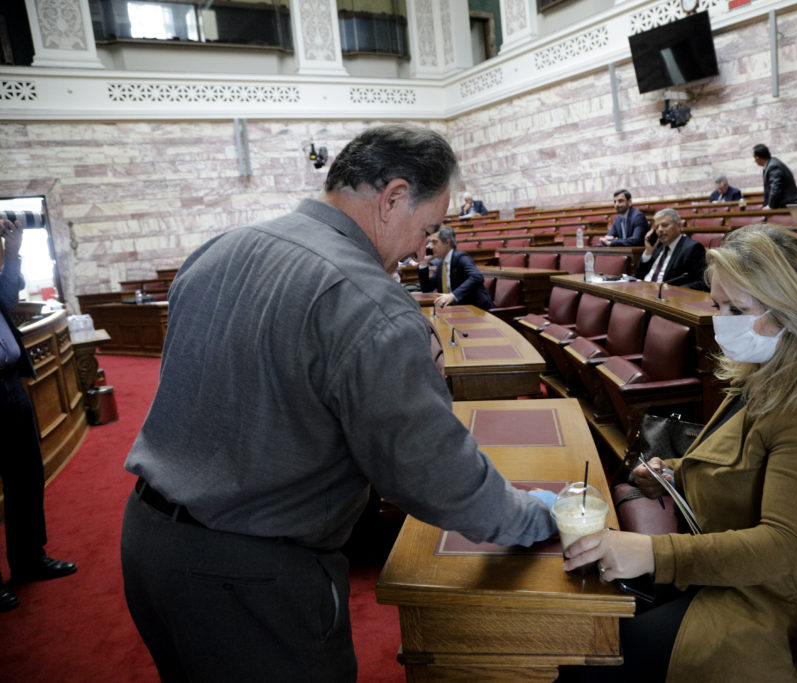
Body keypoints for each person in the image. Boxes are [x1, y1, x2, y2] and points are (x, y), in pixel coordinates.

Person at [119, 124, 556, 681]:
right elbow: (429, 475)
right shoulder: (369, 300)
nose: (425, 248)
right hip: (251, 576)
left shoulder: (222, 247)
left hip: (148, 545)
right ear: (393, 197)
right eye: (426, 228)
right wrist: (532, 517)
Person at [563, 224, 797, 681]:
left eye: (737, 308)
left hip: (791, 599)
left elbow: (787, 546)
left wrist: (653, 553)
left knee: (595, 659)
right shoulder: (769, 367)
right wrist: (672, 471)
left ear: (792, 308)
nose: (721, 320)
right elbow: (741, 461)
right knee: (590, 618)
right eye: (717, 305)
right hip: (740, 573)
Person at [0, 218, 77, 614]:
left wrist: (13, 252)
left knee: (25, 476)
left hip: (9, 385)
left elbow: (8, 299)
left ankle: (29, 559)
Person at [417, 225, 495, 309]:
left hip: (479, 310)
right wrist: (424, 263)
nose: (430, 247)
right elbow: (427, 288)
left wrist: (453, 295)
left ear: (447, 243)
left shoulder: (461, 257)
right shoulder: (441, 264)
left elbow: (477, 276)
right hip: (459, 310)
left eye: (434, 242)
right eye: (430, 243)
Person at [635, 208, 707, 290]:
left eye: (665, 225)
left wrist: (674, 291)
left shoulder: (692, 248)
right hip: (643, 291)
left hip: (666, 297)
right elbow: (639, 275)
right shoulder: (656, 247)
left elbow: (702, 282)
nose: (660, 230)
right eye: (657, 227)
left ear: (679, 225)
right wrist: (648, 252)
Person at [753, 144, 797, 209]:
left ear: (757, 158)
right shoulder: (772, 163)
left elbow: (775, 189)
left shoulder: (773, 166)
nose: (754, 160)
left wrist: (770, 207)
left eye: (754, 157)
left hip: (787, 205)